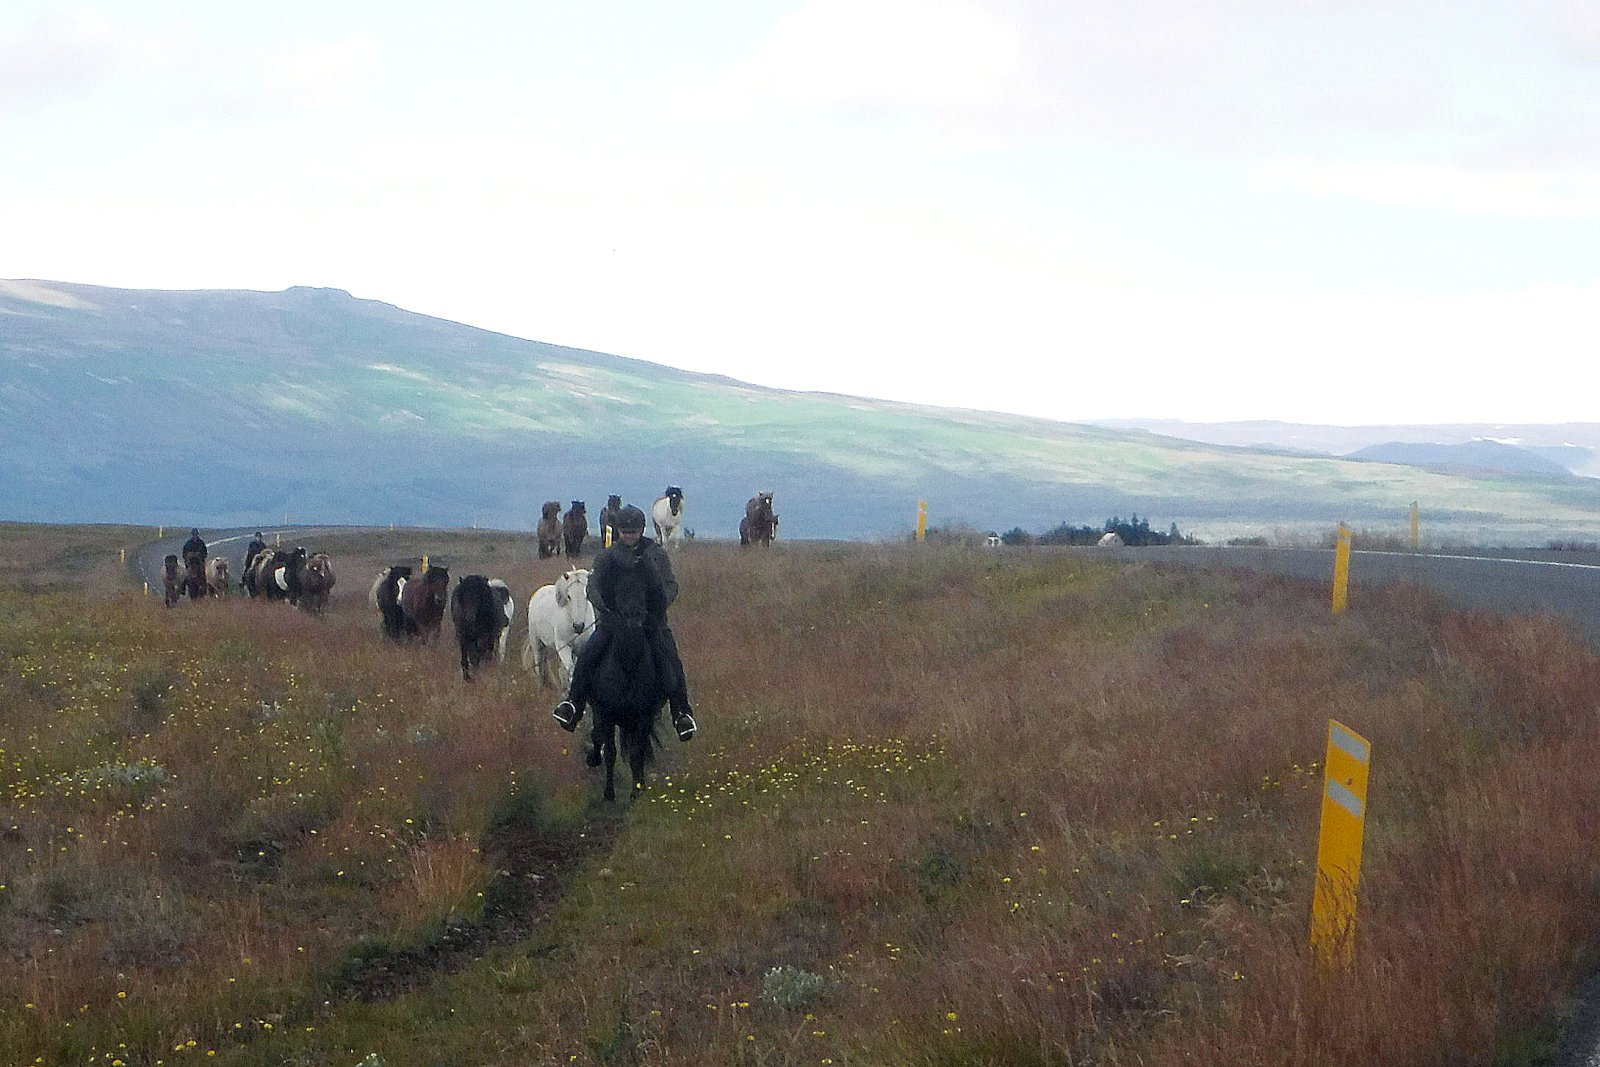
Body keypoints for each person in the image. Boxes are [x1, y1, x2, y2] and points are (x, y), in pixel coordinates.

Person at [554, 505, 697, 754]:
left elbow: (671, 585)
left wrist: (659, 603)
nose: (629, 536)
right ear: (619, 531)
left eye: (633, 532)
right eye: (625, 532)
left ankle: (681, 714)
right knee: (588, 655)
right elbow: (593, 587)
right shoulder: (607, 556)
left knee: (671, 660)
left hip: (651, 623)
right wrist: (605, 607)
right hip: (614, 623)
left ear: (641, 531)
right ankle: (572, 705)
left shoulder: (656, 555)